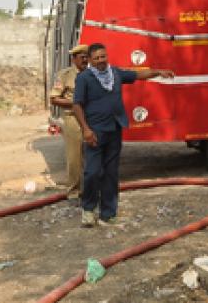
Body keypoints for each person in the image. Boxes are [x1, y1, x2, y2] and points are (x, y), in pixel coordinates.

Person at [72, 43, 174, 227]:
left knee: (111, 173)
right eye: (97, 58)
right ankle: (88, 210)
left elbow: (138, 74)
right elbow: (77, 105)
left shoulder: (115, 73)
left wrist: (158, 72)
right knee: (92, 172)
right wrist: (86, 129)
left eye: (103, 56)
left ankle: (108, 213)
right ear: (90, 60)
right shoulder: (84, 78)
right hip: (95, 132)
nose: (101, 61)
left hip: (114, 129)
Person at [49, 44, 90, 199]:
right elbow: (54, 98)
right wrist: (76, 103)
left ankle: (92, 188)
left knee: (94, 155)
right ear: (74, 59)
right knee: (74, 157)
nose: (85, 60)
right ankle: (74, 190)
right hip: (73, 119)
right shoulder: (65, 76)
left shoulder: (93, 74)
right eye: (82, 57)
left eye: (87, 57)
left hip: (91, 118)